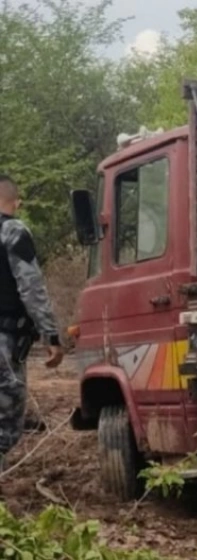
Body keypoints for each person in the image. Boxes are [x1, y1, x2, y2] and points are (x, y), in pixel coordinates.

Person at [0, 174, 63, 467]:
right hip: (5, 339)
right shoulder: (13, 231)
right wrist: (51, 335)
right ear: (17, 201)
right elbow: (31, 287)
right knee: (7, 422)